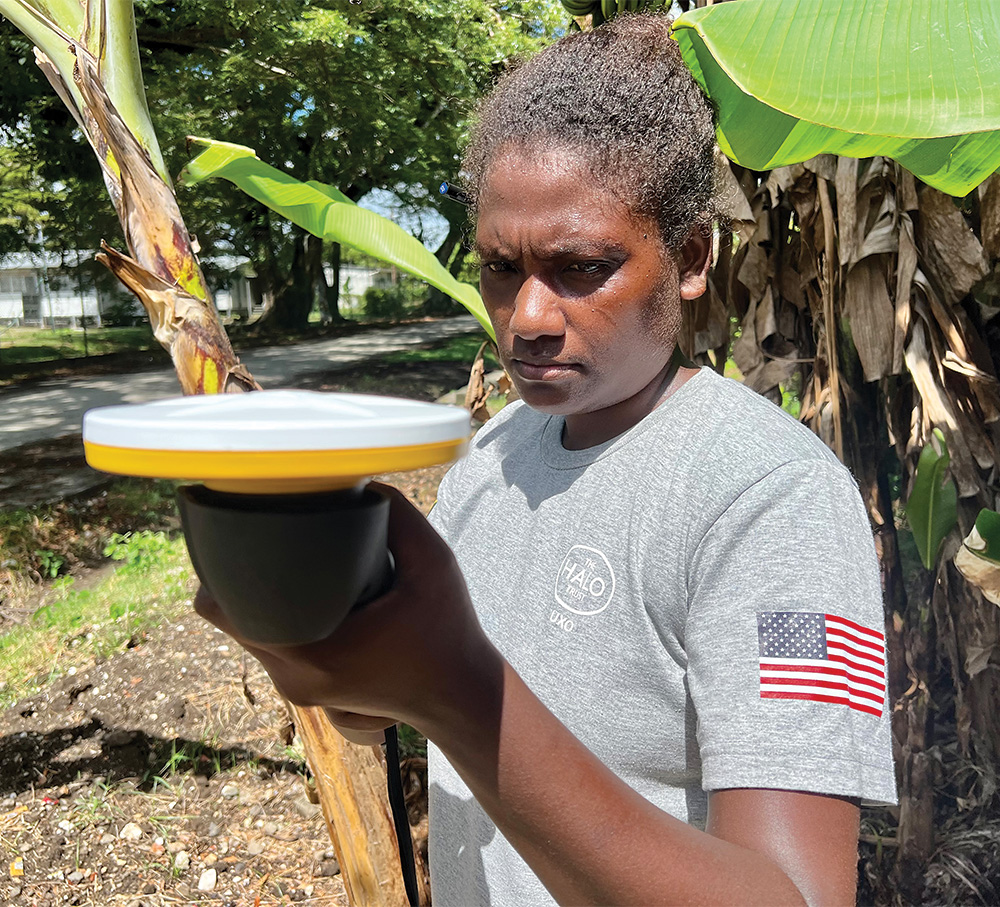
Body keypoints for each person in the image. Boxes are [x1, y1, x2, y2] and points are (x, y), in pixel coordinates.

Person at [196, 13, 896, 906]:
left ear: (689, 258)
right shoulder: (491, 458)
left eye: (580, 267)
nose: (525, 316)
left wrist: (456, 687)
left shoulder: (767, 498)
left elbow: (794, 896)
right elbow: (378, 709)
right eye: (499, 267)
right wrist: (313, 625)